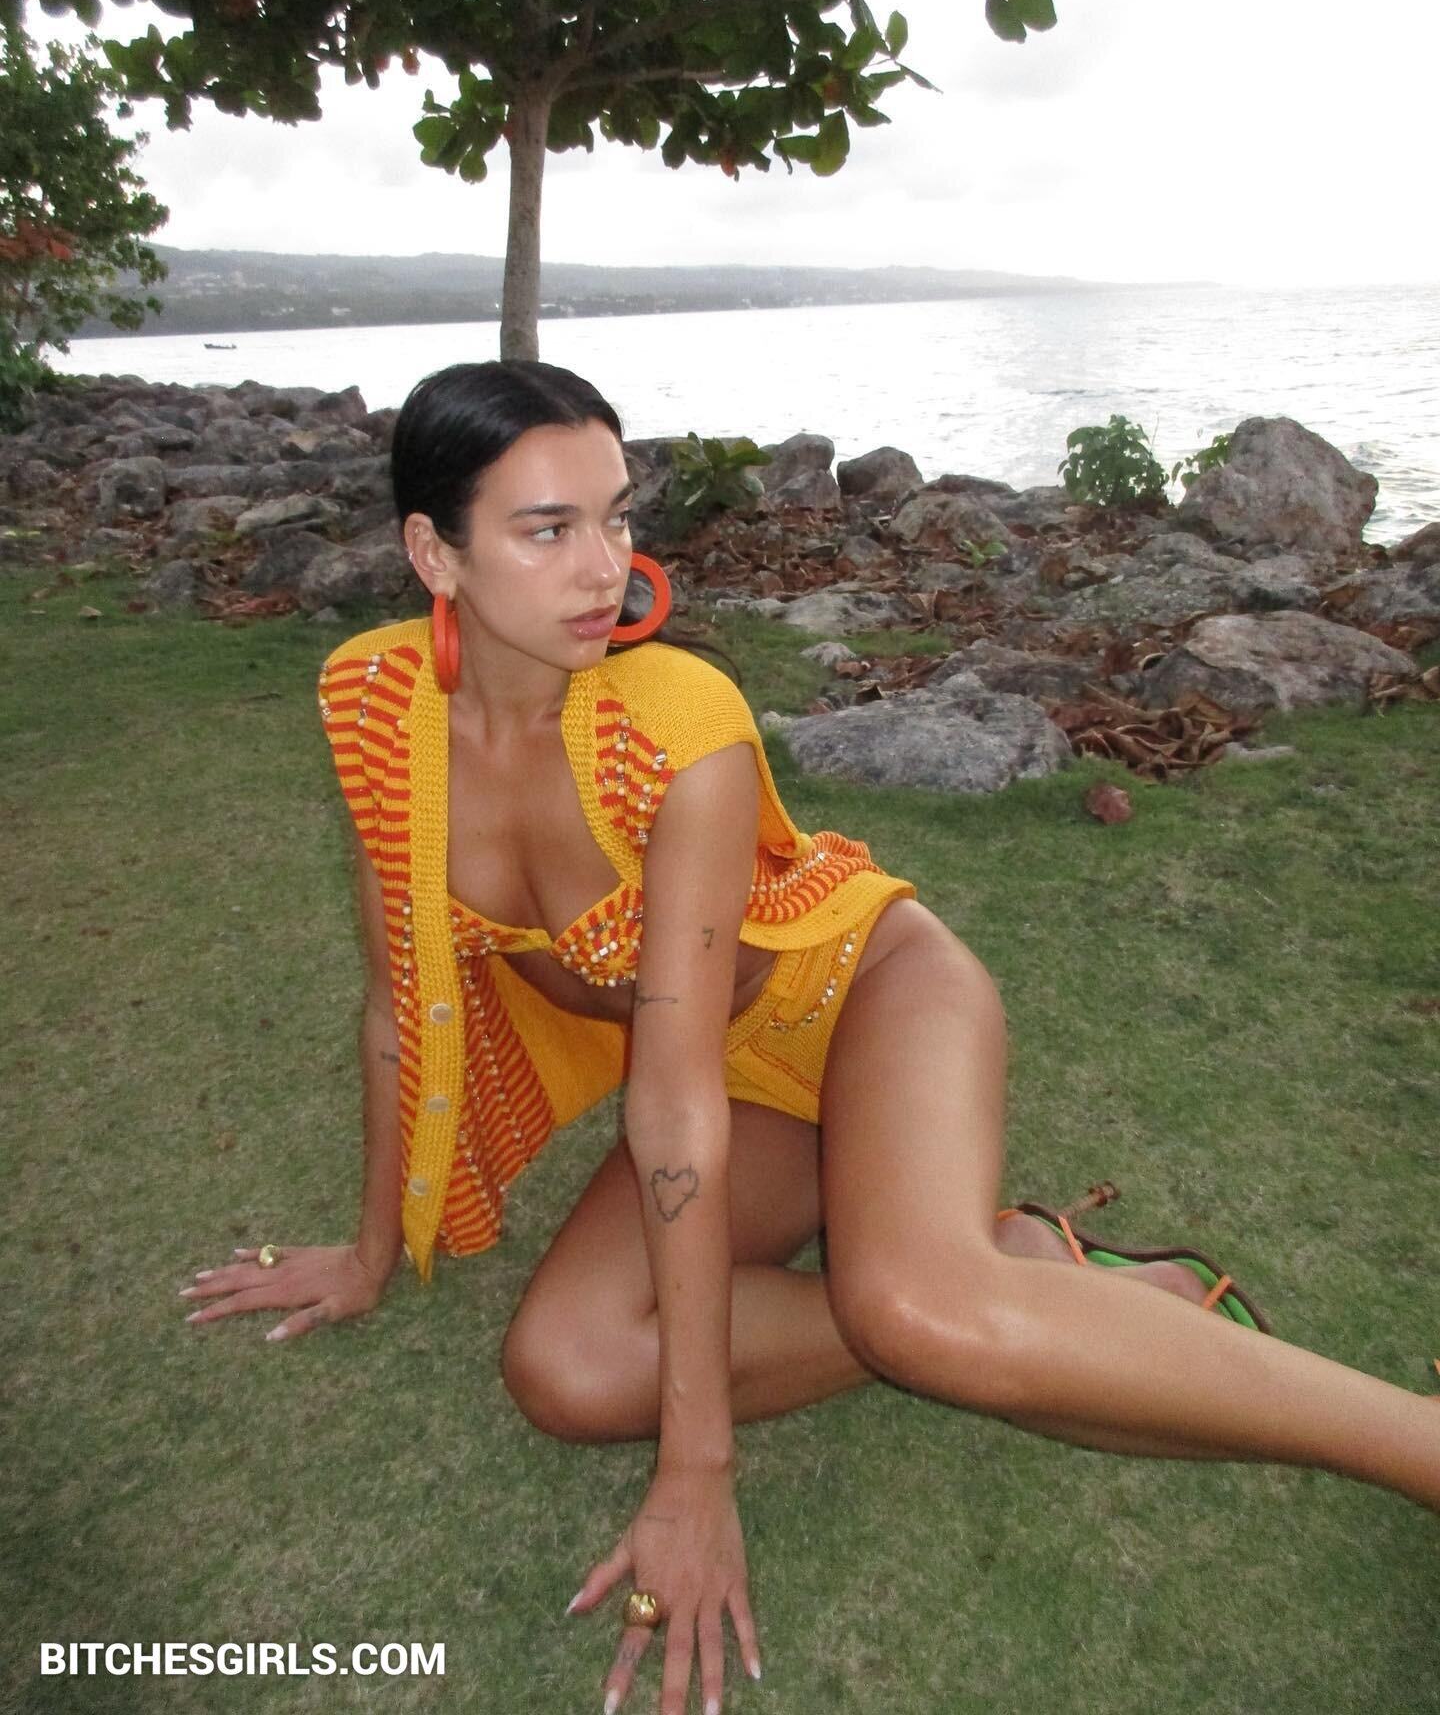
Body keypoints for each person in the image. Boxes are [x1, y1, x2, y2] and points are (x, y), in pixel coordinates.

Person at [182, 361, 1440, 1715]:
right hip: (740, 1083)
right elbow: (398, 1005)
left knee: (916, 1310)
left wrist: (697, 1472)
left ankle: (1409, 1444)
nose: (605, 568)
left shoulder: (677, 724)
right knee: (567, 1370)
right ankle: (1025, 1275)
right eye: (547, 530)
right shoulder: (377, 708)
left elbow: (670, 1101)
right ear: (435, 552)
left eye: (616, 516)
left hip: (868, 998)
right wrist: (371, 1253)